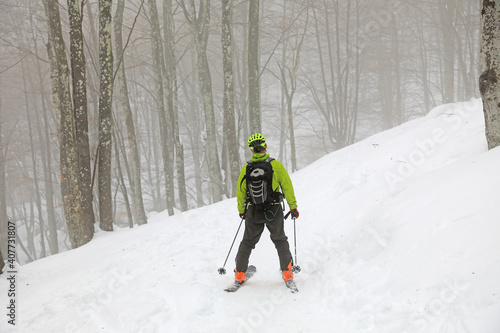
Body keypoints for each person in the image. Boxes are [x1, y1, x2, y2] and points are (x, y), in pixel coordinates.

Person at [233, 133, 299, 284]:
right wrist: (293, 207)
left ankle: (240, 274)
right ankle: (287, 273)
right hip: (274, 210)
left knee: (247, 242)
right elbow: (287, 187)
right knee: (280, 240)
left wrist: (242, 210)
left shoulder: (246, 168)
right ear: (265, 146)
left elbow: (240, 191)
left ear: (251, 150)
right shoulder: (275, 165)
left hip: (253, 211)